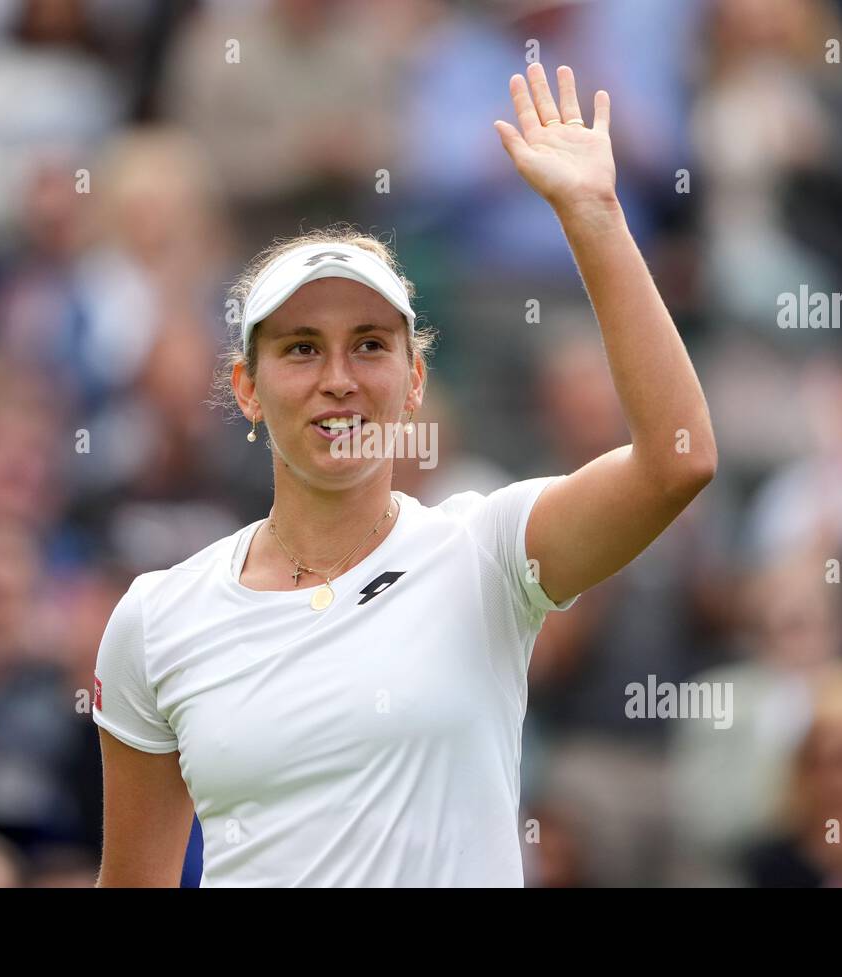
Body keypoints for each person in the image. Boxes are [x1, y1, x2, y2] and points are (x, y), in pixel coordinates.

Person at [93, 62, 716, 887]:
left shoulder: (486, 551)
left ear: (415, 380)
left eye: (372, 344)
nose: (340, 377)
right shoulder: (156, 619)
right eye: (302, 348)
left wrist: (594, 216)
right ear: (247, 387)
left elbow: (678, 460)